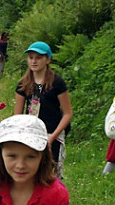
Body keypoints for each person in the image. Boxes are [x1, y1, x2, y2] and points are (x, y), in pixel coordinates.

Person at [15, 42, 73, 179]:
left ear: (48, 59)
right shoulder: (23, 84)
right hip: (31, 133)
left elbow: (67, 113)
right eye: (31, 57)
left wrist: (52, 137)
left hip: (53, 133)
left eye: (38, 57)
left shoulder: (57, 83)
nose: (34, 61)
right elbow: (17, 116)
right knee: (31, 173)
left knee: (48, 174)